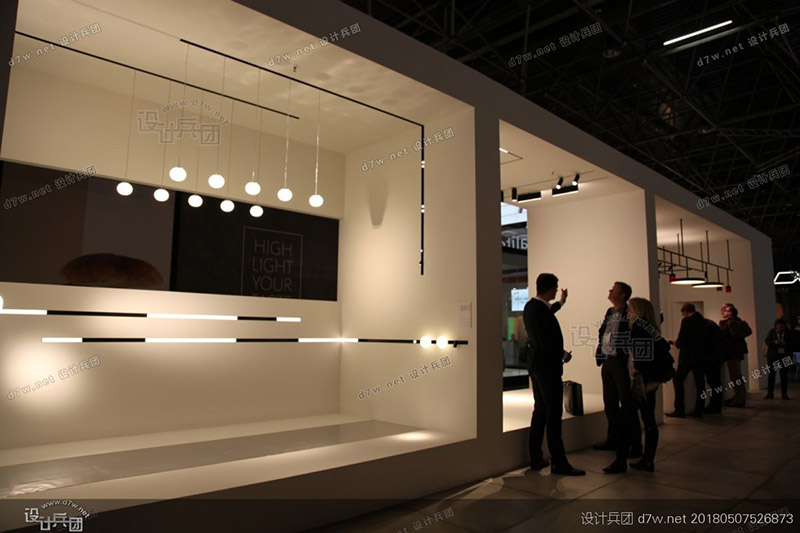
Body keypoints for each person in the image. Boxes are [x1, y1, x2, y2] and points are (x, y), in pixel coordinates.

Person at [524, 273, 585, 476]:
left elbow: (549, 313)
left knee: (541, 410)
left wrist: (562, 302)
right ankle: (558, 462)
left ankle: (536, 457)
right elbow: (545, 340)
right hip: (547, 368)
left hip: (537, 366)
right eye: (556, 289)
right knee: (552, 413)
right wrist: (562, 354)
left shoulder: (533, 307)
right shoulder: (539, 310)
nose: (557, 291)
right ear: (550, 288)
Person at [603, 297, 668, 473]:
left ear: (637, 310)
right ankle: (647, 460)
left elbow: (641, 358)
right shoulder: (650, 327)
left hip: (642, 383)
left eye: (630, 309)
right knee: (648, 420)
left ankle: (621, 461)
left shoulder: (639, 328)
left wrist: (635, 368)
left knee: (623, 420)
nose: (628, 312)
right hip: (650, 382)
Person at [593, 282, 642, 458]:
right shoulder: (610, 312)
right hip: (607, 361)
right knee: (610, 403)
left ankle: (636, 444)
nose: (609, 291)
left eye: (613, 289)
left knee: (627, 404)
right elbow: (603, 332)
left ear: (622, 295)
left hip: (621, 362)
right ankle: (613, 439)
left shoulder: (630, 313)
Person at [667, 303, 707, 418]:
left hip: (688, 356)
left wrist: (676, 343)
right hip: (700, 355)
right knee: (700, 383)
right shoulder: (703, 321)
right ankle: (699, 409)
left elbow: (682, 339)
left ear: (685, 311)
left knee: (677, 379)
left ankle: (679, 409)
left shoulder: (687, 321)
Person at [720, 303, 752, 407]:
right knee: (737, 376)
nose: (722, 311)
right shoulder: (738, 322)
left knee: (735, 376)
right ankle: (740, 397)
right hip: (737, 352)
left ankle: (739, 399)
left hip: (731, 353)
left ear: (730, 312)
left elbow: (731, 336)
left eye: (725, 310)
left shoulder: (730, 323)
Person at [703, 318, 726, 414]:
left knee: (713, 382)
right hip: (717, 358)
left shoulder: (707, 327)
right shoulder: (713, 326)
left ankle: (714, 405)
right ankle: (716, 405)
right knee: (716, 383)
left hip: (712, 359)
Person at [764, 319, 791, 400]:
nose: (780, 328)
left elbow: (793, 342)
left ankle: (784, 394)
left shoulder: (788, 333)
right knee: (771, 375)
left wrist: (785, 343)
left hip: (784, 356)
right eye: (778, 326)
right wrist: (774, 342)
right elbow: (767, 341)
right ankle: (770, 393)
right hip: (773, 356)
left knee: (784, 376)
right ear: (776, 326)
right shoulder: (772, 331)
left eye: (781, 326)